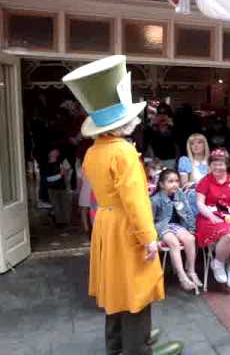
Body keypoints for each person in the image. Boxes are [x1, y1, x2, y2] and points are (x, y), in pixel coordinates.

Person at [62, 55, 182, 355]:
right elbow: (136, 202)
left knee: (115, 289)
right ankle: (137, 348)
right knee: (136, 291)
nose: (138, 120)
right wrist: (149, 239)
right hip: (127, 228)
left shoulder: (94, 151)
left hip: (106, 223)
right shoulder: (124, 153)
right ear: (120, 123)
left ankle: (116, 346)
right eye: (133, 116)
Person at [195, 148, 230, 288]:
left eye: (221, 163)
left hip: (229, 215)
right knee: (229, 236)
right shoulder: (205, 181)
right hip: (209, 217)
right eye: (214, 163)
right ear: (210, 165)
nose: (217, 167)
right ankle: (218, 263)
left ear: (227, 164)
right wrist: (211, 216)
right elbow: (200, 203)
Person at [151, 169, 202, 292]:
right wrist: (154, 239)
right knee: (173, 242)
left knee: (190, 239)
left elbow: (187, 211)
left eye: (176, 181)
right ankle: (182, 275)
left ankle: (191, 271)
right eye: (170, 181)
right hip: (161, 226)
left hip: (175, 225)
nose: (175, 184)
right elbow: (150, 221)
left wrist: (191, 228)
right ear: (162, 184)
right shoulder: (155, 199)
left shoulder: (179, 193)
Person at [178, 133, 210, 214]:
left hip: (211, 199)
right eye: (192, 143)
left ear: (205, 144)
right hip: (193, 201)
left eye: (199, 142)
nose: (196, 145)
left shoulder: (211, 161)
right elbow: (184, 185)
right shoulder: (185, 161)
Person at [143, 102, 178, 169]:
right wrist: (150, 126)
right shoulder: (152, 128)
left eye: (165, 113)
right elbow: (145, 142)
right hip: (155, 160)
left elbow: (178, 142)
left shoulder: (174, 127)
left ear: (169, 115)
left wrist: (172, 126)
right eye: (160, 113)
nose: (162, 115)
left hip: (171, 160)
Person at [46, 148, 71, 228]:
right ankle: (59, 222)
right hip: (52, 189)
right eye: (54, 151)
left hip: (62, 187)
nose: (57, 152)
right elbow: (48, 179)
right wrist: (60, 175)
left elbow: (67, 173)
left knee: (64, 205)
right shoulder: (47, 165)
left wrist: (67, 183)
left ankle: (64, 221)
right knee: (56, 206)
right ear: (50, 153)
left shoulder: (61, 163)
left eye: (57, 151)